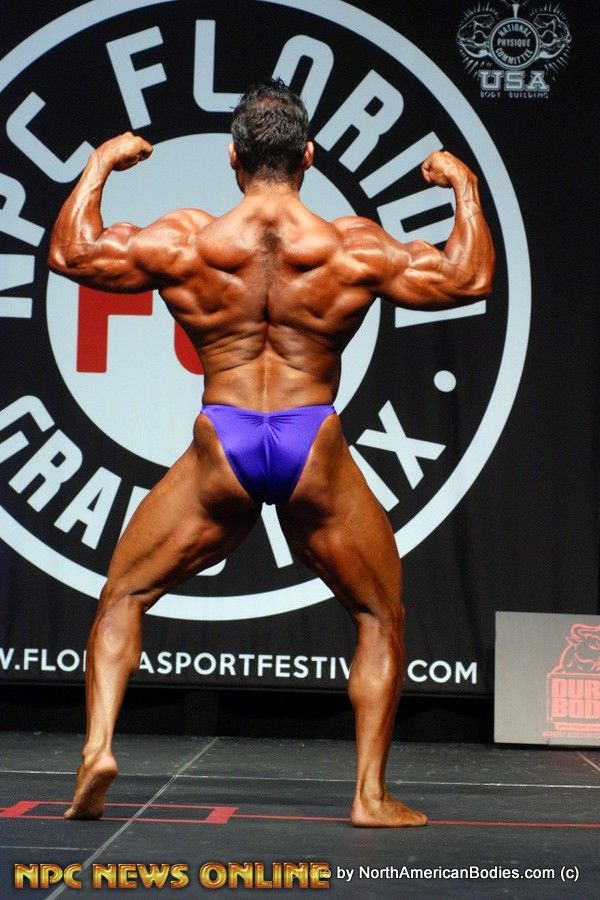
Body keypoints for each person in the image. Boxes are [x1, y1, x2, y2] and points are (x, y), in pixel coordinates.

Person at [48, 79, 494, 826]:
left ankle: (97, 748)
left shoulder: (187, 241)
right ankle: (369, 796)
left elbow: (72, 252)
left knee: (123, 595)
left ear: (233, 157)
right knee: (378, 615)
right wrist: (464, 185)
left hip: (222, 439)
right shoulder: (351, 247)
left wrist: (100, 163)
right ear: (308, 157)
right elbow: (467, 276)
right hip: (309, 441)